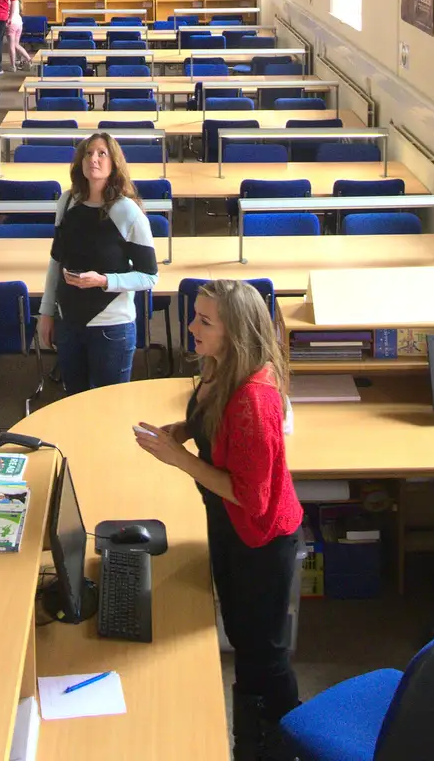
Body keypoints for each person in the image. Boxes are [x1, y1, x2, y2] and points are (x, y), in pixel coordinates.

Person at [134, 281, 303, 760]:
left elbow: (252, 498)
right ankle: (254, 735)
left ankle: (287, 740)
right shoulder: (217, 367)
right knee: (240, 628)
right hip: (227, 522)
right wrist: (185, 430)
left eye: (205, 321)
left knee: (261, 655)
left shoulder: (255, 399)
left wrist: (177, 458)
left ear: (237, 333)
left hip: (259, 537)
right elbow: (213, 424)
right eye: (195, 316)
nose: (191, 326)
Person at [37, 131, 157, 394]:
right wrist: (46, 312)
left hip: (111, 326)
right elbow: (56, 261)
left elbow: (149, 276)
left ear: (114, 163)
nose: (94, 158)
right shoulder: (67, 201)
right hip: (69, 321)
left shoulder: (127, 211)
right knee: (74, 401)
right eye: (89, 153)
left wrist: (104, 281)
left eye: (102, 153)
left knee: (109, 405)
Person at [6, 0, 35, 71]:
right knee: (16, 45)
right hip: (19, 23)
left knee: (11, 46)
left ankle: (13, 66)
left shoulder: (8, 0)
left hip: (11, 23)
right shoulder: (18, 0)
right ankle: (29, 59)